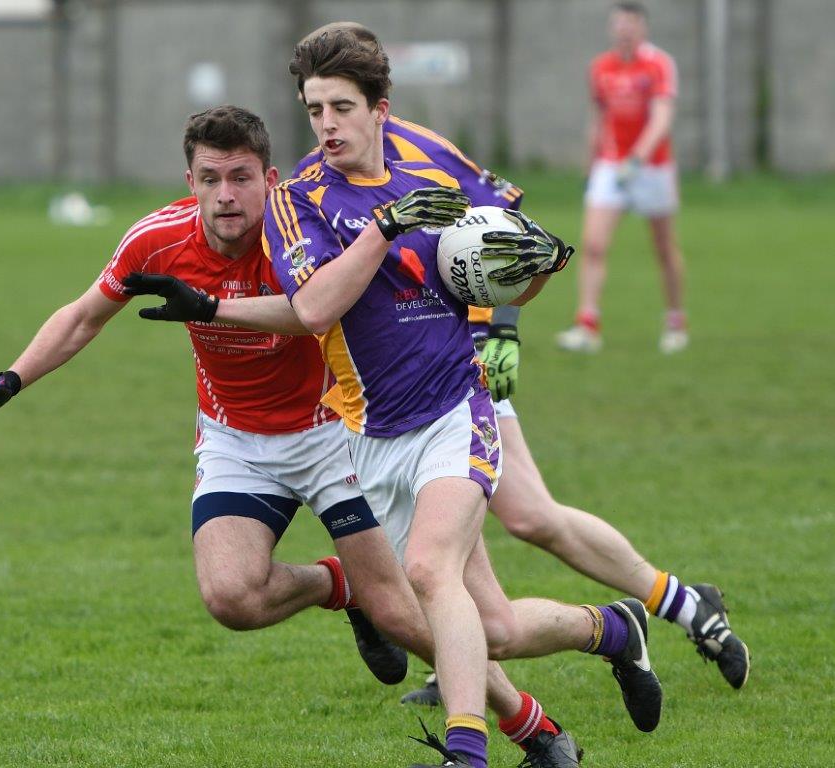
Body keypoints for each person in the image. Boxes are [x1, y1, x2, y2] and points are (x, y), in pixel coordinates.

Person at [289, 22, 748, 707]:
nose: (327, 122)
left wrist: (499, 329)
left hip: (458, 370)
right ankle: (522, 648)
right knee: (480, 556)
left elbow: (507, 236)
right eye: (314, 108)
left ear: (376, 100)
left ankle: (683, 607)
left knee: (527, 518)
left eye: (340, 104)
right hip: (395, 386)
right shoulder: (311, 188)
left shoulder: (424, 150)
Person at [0, 105, 413, 687]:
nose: (225, 196)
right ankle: (340, 585)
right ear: (191, 183)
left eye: (241, 177)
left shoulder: (307, 234)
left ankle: (520, 719)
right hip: (234, 437)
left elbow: (337, 310)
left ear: (270, 179)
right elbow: (85, 317)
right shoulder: (157, 241)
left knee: (403, 609)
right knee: (232, 598)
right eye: (210, 180)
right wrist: (9, 380)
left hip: (333, 434)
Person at [556, 1, 688, 354]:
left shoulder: (658, 64)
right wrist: (590, 164)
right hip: (611, 166)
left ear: (642, 27)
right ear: (612, 28)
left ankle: (675, 320)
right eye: (619, 24)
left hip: (652, 167)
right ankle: (587, 324)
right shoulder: (601, 68)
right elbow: (598, 119)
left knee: (663, 247)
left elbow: (662, 118)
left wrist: (637, 159)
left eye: (631, 23)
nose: (625, 30)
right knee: (594, 244)